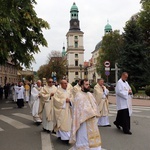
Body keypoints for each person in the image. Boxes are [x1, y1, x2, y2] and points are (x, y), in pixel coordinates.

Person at [69, 79, 102, 150]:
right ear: (82, 86)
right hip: (83, 121)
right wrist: (90, 112)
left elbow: (95, 105)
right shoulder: (78, 95)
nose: (88, 86)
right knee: (84, 137)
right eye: (86, 84)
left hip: (92, 120)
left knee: (94, 140)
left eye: (88, 84)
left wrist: (95, 112)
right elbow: (78, 109)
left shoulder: (89, 94)